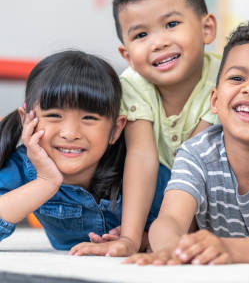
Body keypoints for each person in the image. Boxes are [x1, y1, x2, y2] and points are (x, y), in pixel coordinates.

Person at [125, 21, 249, 265]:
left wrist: (228, 250)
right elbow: (169, 220)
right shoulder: (197, 152)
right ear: (215, 100)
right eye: (237, 78)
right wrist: (174, 249)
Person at [72, 0, 220, 256]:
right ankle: (144, 234)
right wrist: (129, 237)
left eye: (171, 24)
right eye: (141, 35)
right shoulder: (132, 84)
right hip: (159, 187)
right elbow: (141, 157)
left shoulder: (226, 75)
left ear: (207, 28)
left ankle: (170, 234)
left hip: (215, 183)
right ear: (127, 55)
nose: (159, 42)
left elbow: (197, 157)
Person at [0, 51, 168, 250]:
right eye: (54, 115)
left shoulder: (139, 172)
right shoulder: (23, 166)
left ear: (116, 129)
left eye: (89, 118)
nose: (71, 133)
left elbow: (187, 222)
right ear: (26, 120)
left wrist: (145, 239)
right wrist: (46, 182)